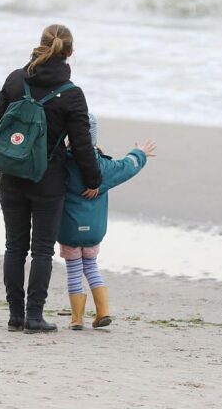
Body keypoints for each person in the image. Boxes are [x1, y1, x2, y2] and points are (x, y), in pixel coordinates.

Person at [0, 24, 101, 334]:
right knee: (41, 250)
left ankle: (15, 316)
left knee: (14, 247)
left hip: (11, 176)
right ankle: (34, 317)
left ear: (40, 45)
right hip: (48, 182)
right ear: (70, 52)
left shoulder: (15, 79)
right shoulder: (72, 95)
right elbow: (81, 146)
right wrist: (93, 180)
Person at [58, 114, 156, 330]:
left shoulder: (62, 164)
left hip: (69, 230)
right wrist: (140, 152)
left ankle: (76, 319)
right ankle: (103, 312)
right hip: (94, 230)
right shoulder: (103, 167)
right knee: (91, 267)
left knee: (74, 270)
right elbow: (127, 166)